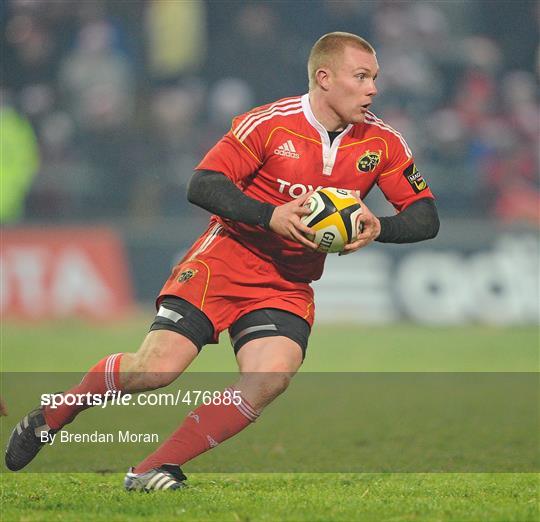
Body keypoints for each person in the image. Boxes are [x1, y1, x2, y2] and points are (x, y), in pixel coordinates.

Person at [6, 32, 439, 490]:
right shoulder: (268, 125)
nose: (373, 88)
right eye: (362, 76)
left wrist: (380, 227)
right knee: (154, 371)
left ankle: (153, 468)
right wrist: (268, 215)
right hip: (225, 261)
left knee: (271, 377)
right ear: (324, 78)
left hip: (288, 282)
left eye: (375, 78)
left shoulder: (383, 143)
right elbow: (203, 184)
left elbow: (425, 216)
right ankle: (51, 415)